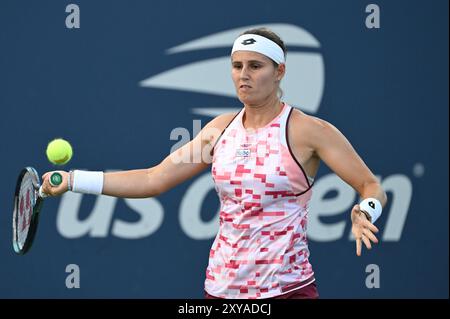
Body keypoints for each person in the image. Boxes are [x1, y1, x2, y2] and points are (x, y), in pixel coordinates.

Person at [42, 27, 387, 299]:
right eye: (237, 66)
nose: (244, 75)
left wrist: (365, 211)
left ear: (279, 71)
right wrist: (73, 180)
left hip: (287, 290)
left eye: (255, 66)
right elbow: (152, 179)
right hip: (220, 291)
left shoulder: (310, 131)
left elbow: (371, 187)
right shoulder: (218, 131)